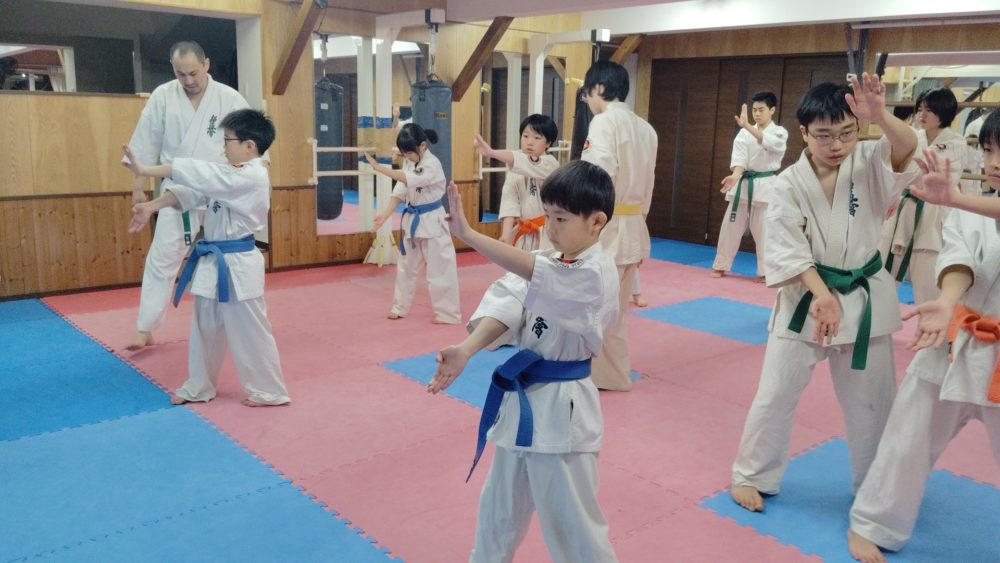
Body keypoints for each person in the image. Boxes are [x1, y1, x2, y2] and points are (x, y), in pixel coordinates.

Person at [729, 74, 918, 513]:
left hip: (864, 298)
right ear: (803, 133)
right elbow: (786, 247)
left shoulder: (870, 160)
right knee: (775, 393)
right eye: (824, 135)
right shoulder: (788, 183)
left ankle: (875, 487)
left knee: (874, 403)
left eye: (847, 133)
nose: (837, 145)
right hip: (806, 297)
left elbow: (908, 147)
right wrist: (820, 294)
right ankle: (752, 474)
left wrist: (880, 115)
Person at [429, 160, 620, 563]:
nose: (550, 227)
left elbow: (534, 273)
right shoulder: (557, 257)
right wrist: (467, 349)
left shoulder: (595, 272)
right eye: (547, 215)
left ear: (596, 222)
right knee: (497, 514)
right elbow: (512, 299)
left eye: (561, 218)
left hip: (563, 412)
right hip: (522, 403)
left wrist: (470, 235)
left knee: (575, 529)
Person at [847, 112, 1000, 563]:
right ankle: (874, 522)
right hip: (957, 340)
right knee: (909, 433)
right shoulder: (970, 212)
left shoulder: (968, 203)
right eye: (989, 150)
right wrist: (947, 301)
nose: (994, 162)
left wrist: (956, 198)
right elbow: (958, 259)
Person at [123, 109, 290, 407]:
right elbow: (194, 192)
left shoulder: (251, 176)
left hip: (238, 263)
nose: (223, 146)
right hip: (214, 260)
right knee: (204, 328)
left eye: (228, 141)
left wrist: (146, 170)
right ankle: (199, 387)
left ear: (249, 145)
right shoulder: (231, 172)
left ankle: (269, 391)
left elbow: (202, 175)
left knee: (250, 331)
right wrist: (152, 207)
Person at [125, 40, 254, 351]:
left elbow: (252, 144)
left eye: (193, 73)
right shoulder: (162, 96)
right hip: (178, 189)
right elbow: (145, 145)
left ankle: (239, 325)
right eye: (180, 74)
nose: (188, 80)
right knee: (162, 258)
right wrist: (138, 187)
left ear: (206, 64)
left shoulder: (229, 98)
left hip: (219, 190)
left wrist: (251, 178)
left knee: (230, 259)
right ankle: (145, 327)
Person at [580, 59, 658, 391]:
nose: (587, 101)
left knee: (593, 307)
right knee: (615, 310)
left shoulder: (603, 122)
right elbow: (649, 184)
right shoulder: (646, 129)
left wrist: (581, 226)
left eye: (587, 94)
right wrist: (639, 223)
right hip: (633, 224)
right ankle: (611, 376)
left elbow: (597, 178)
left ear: (598, 88)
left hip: (604, 227)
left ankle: (589, 374)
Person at [364, 123, 460, 324]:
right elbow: (401, 190)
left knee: (440, 270)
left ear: (423, 146)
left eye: (409, 152)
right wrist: (385, 215)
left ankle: (447, 314)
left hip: (433, 221)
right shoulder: (409, 162)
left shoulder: (432, 164)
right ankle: (399, 307)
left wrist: (381, 168)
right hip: (413, 221)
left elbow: (409, 179)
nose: (406, 156)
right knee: (405, 267)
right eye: (404, 153)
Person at [880, 88, 967, 304]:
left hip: (934, 211)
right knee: (883, 272)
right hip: (903, 207)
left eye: (929, 110)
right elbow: (894, 168)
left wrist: (910, 172)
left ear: (944, 112)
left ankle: (933, 320)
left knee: (928, 277)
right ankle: (878, 319)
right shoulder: (912, 136)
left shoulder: (956, 142)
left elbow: (942, 176)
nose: (922, 115)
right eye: (919, 109)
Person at [711, 91, 788, 280]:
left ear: (772, 110)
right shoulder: (744, 133)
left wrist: (746, 125)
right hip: (743, 185)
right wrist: (735, 175)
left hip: (766, 186)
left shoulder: (779, 132)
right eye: (754, 110)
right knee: (730, 228)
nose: (757, 114)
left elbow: (768, 142)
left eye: (761, 109)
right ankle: (721, 264)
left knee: (765, 233)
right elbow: (740, 159)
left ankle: (765, 272)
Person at [474, 114, 560, 251]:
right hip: (523, 232)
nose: (529, 142)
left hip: (548, 232)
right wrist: (506, 234)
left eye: (537, 138)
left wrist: (492, 153)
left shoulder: (550, 164)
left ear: (548, 143)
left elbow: (525, 162)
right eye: (525, 136)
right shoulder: (515, 167)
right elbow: (510, 199)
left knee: (543, 263)